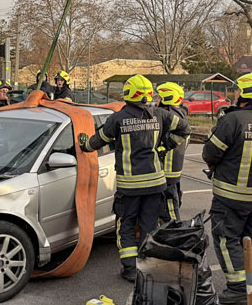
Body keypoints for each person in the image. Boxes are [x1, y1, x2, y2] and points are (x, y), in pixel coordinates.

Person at [79, 74, 190, 282]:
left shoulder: (118, 118)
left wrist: (83, 144)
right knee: (149, 225)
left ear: (128, 94)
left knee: (127, 225)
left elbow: (97, 141)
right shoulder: (159, 114)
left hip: (130, 186)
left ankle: (130, 269)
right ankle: (146, 267)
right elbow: (184, 128)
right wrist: (166, 145)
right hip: (156, 184)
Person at [202, 73, 252, 304]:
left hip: (230, 196)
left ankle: (238, 287)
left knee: (227, 238)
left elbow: (210, 153)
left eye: (238, 89)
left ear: (248, 93)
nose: (235, 94)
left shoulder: (231, 121)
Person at [156, 82, 188, 223]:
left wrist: (163, 147)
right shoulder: (180, 112)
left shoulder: (167, 115)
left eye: (159, 97)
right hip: (175, 168)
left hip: (167, 169)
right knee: (173, 199)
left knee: (169, 206)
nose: (156, 100)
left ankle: (175, 233)